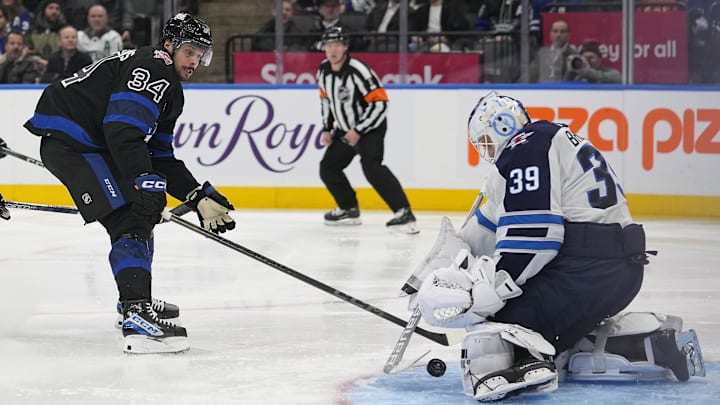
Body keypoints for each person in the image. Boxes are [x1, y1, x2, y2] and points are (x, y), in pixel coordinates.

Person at [410, 91, 705, 401]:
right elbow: (485, 225)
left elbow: (535, 237)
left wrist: (487, 292)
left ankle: (522, 366)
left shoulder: (524, 146)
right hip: (617, 271)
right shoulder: (550, 140)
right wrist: (439, 268)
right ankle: (649, 344)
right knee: (556, 340)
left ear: (502, 124)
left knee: (494, 322)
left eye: (484, 141)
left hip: (583, 272)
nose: (486, 151)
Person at [23, 12, 237, 354]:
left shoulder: (171, 90)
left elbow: (159, 156)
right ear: (170, 44)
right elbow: (122, 130)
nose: (196, 61)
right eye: (190, 51)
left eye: (202, 54)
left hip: (92, 142)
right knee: (129, 218)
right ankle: (136, 315)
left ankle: (135, 300)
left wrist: (197, 194)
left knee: (142, 214)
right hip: (72, 140)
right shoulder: (154, 68)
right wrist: (142, 180)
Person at [316, 26, 418, 234]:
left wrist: (359, 129)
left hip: (370, 127)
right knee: (328, 167)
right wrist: (327, 128)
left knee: (372, 166)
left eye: (337, 45)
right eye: (329, 45)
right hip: (346, 131)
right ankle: (348, 209)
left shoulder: (359, 71)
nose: (332, 50)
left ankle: (404, 213)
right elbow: (326, 100)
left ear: (345, 47)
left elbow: (381, 104)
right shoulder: (323, 71)